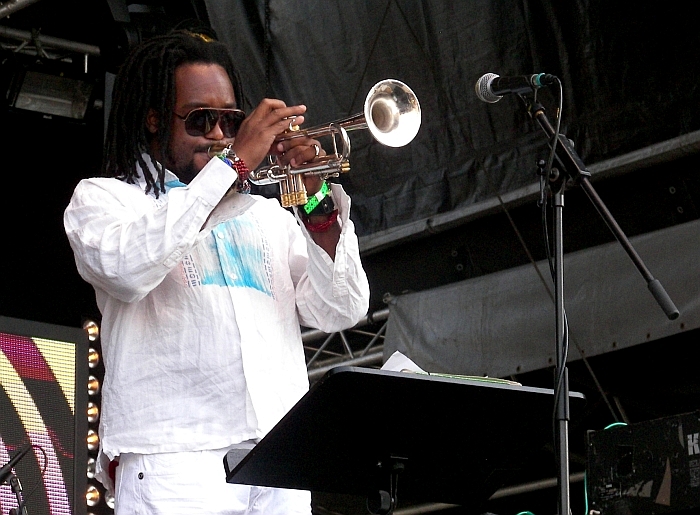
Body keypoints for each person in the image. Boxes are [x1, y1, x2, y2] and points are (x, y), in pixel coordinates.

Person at [63, 29, 370, 515]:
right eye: (201, 119)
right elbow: (128, 270)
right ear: (153, 119)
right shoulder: (106, 201)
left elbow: (341, 309)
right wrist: (234, 165)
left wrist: (316, 202)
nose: (219, 135)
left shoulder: (265, 216)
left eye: (230, 121)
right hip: (173, 460)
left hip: (278, 458)